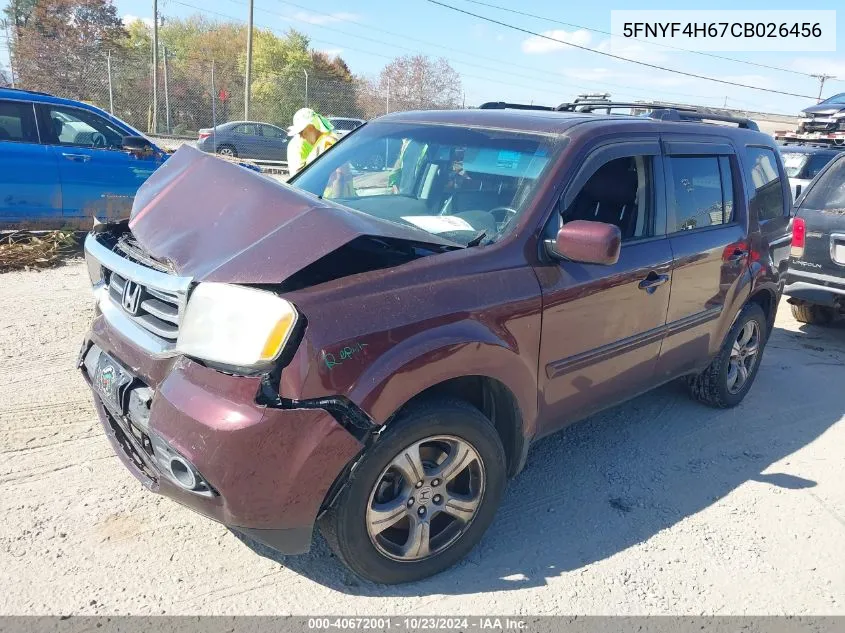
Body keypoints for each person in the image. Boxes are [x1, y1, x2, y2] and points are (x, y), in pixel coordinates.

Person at [287, 107, 354, 196]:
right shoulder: (324, 141)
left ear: (311, 127)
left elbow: (339, 175)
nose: (302, 137)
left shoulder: (327, 142)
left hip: (332, 201)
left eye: (303, 133)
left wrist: (334, 204)